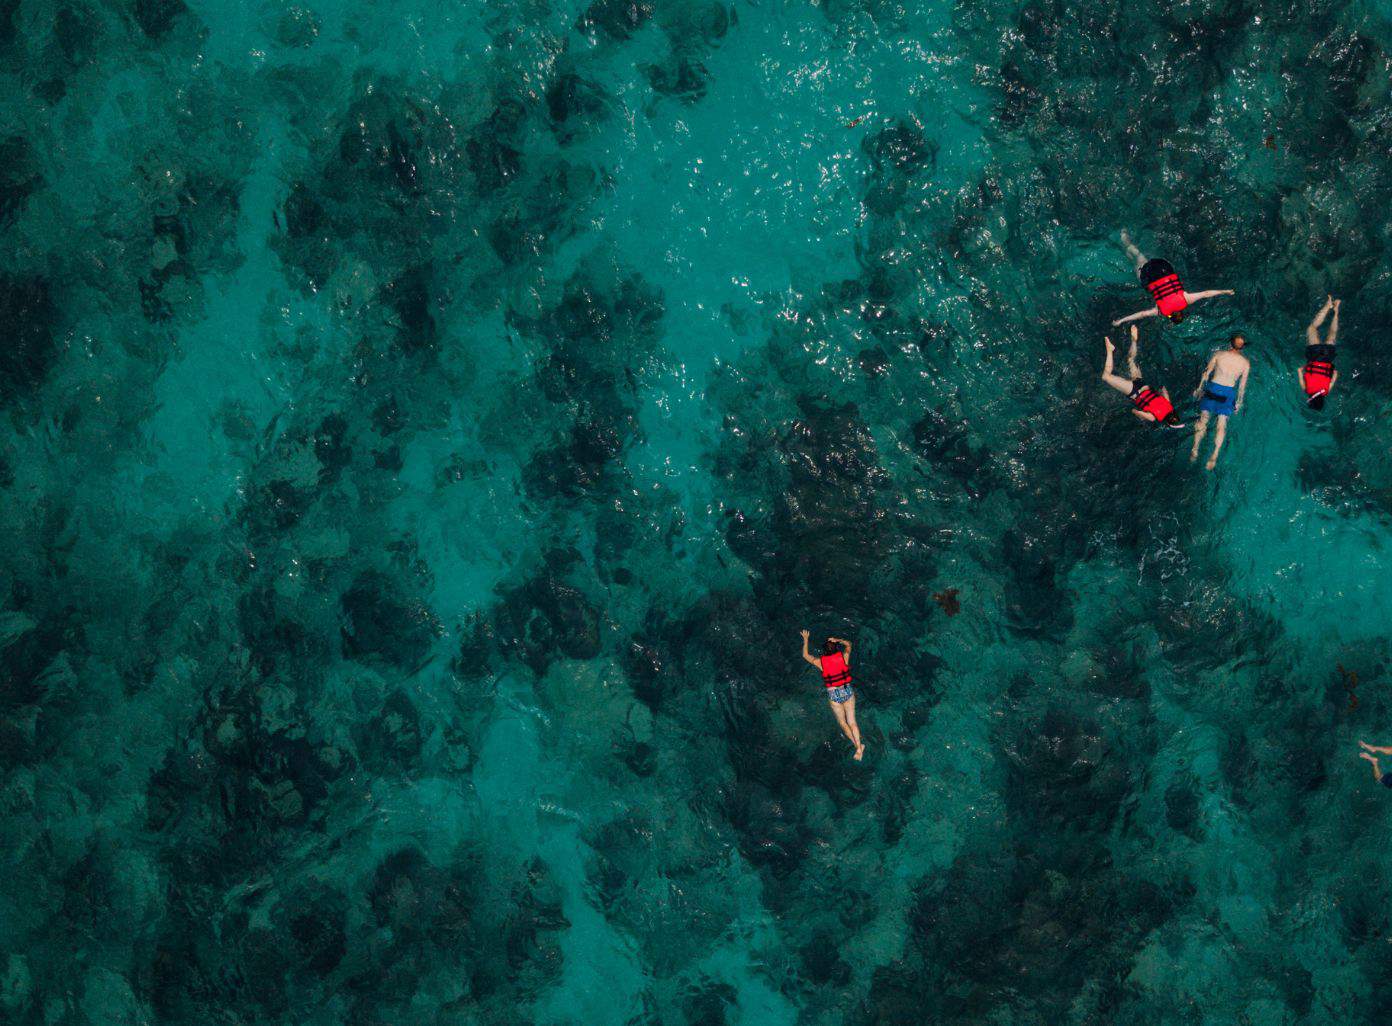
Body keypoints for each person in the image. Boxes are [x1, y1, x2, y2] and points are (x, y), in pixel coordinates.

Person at [1112, 231, 1235, 326]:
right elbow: (1142, 314)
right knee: (1137, 264)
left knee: (1140, 257)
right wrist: (1121, 321)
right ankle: (1125, 244)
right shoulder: (1160, 311)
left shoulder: (1186, 300)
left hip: (1164, 269)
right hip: (1151, 278)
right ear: (1170, 317)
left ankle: (1127, 242)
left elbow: (1206, 293)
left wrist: (1225, 291)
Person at [1100, 325, 1185, 428]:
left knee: (1131, 359)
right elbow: (1134, 411)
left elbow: (1163, 389)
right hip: (1133, 391)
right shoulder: (1152, 418)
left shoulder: (1168, 404)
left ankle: (1134, 340)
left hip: (1143, 384)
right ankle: (1110, 350)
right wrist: (1140, 415)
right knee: (1106, 376)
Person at [1189, 334, 1251, 471]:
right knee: (1221, 425)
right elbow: (1242, 386)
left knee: (1203, 419)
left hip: (1213, 388)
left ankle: (1195, 449)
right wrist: (1239, 402)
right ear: (1242, 347)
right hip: (1228, 393)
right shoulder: (1245, 363)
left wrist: (1199, 388)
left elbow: (1206, 373)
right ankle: (1215, 454)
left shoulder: (1218, 354)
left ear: (1230, 343)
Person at [800, 629, 863, 760]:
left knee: (842, 723)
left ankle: (858, 747)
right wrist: (839, 640)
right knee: (852, 722)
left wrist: (806, 639)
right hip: (847, 691)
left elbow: (805, 655)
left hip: (834, 695)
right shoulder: (844, 657)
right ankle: (859, 748)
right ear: (835, 649)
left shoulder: (821, 662)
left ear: (824, 651)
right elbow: (849, 645)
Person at [1300, 295, 1340, 410]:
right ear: (1310, 400)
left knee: (1332, 334)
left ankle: (1336, 310)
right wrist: (1305, 367)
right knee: (1311, 328)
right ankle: (1328, 305)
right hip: (1314, 354)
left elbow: (1335, 374)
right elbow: (1299, 370)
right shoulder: (1306, 389)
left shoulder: (1326, 391)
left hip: (1327, 356)